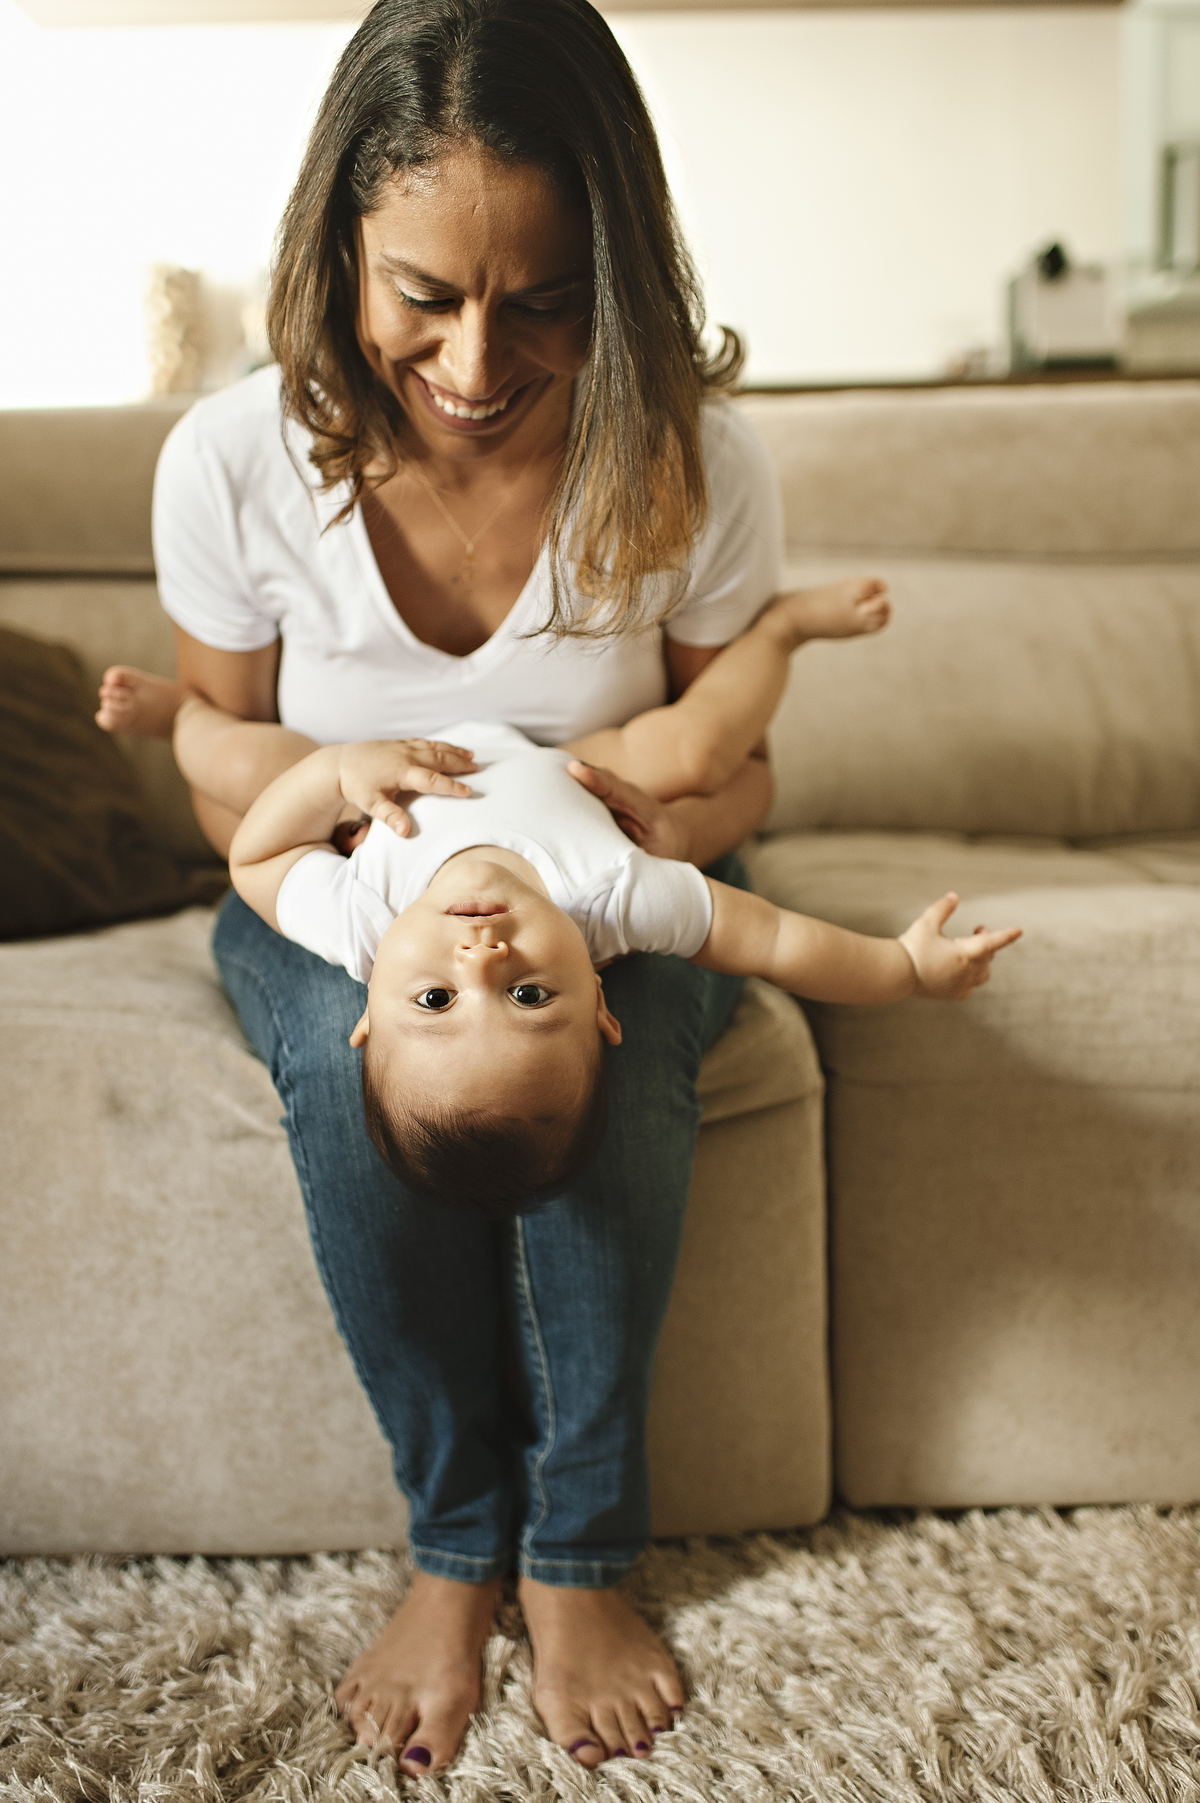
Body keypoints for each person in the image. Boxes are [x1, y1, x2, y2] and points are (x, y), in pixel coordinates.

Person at [96, 0, 891, 1775]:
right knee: (350, 1075)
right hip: (335, 869)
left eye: (541, 300)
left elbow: (742, 767)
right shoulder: (233, 461)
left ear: (618, 271)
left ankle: (582, 1549)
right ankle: (460, 1542)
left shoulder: (690, 456)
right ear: (338, 255)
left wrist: (642, 823)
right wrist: (338, 798)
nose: (473, 360)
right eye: (424, 295)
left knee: (618, 1058)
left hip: (617, 864)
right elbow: (221, 764)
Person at [105, 582, 1015, 1216]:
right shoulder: (619, 898)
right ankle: (780, 632)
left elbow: (259, 856)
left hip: (378, 766)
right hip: (576, 763)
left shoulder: (362, 922)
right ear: (603, 1003)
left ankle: (181, 716)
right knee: (695, 751)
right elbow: (775, 941)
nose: (481, 961)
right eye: (531, 995)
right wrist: (903, 968)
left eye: (435, 1000)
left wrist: (337, 775)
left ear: (368, 1013)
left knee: (251, 769)